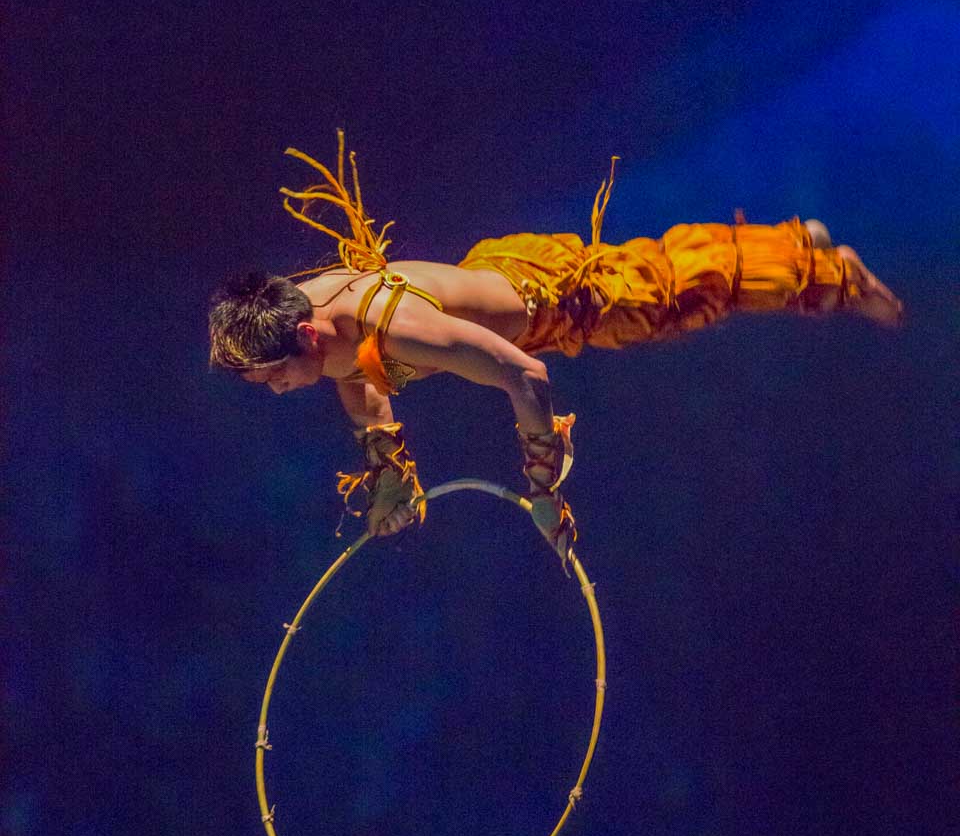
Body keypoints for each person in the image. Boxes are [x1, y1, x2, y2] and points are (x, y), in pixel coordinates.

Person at [208, 135, 902, 570]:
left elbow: (524, 375)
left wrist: (543, 492)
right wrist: (389, 469)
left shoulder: (397, 327)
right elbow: (354, 374)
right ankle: (793, 246)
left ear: (305, 337)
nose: (275, 390)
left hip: (559, 302)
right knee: (661, 274)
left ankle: (832, 271)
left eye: (273, 377)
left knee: (680, 298)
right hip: (499, 270)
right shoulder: (307, 307)